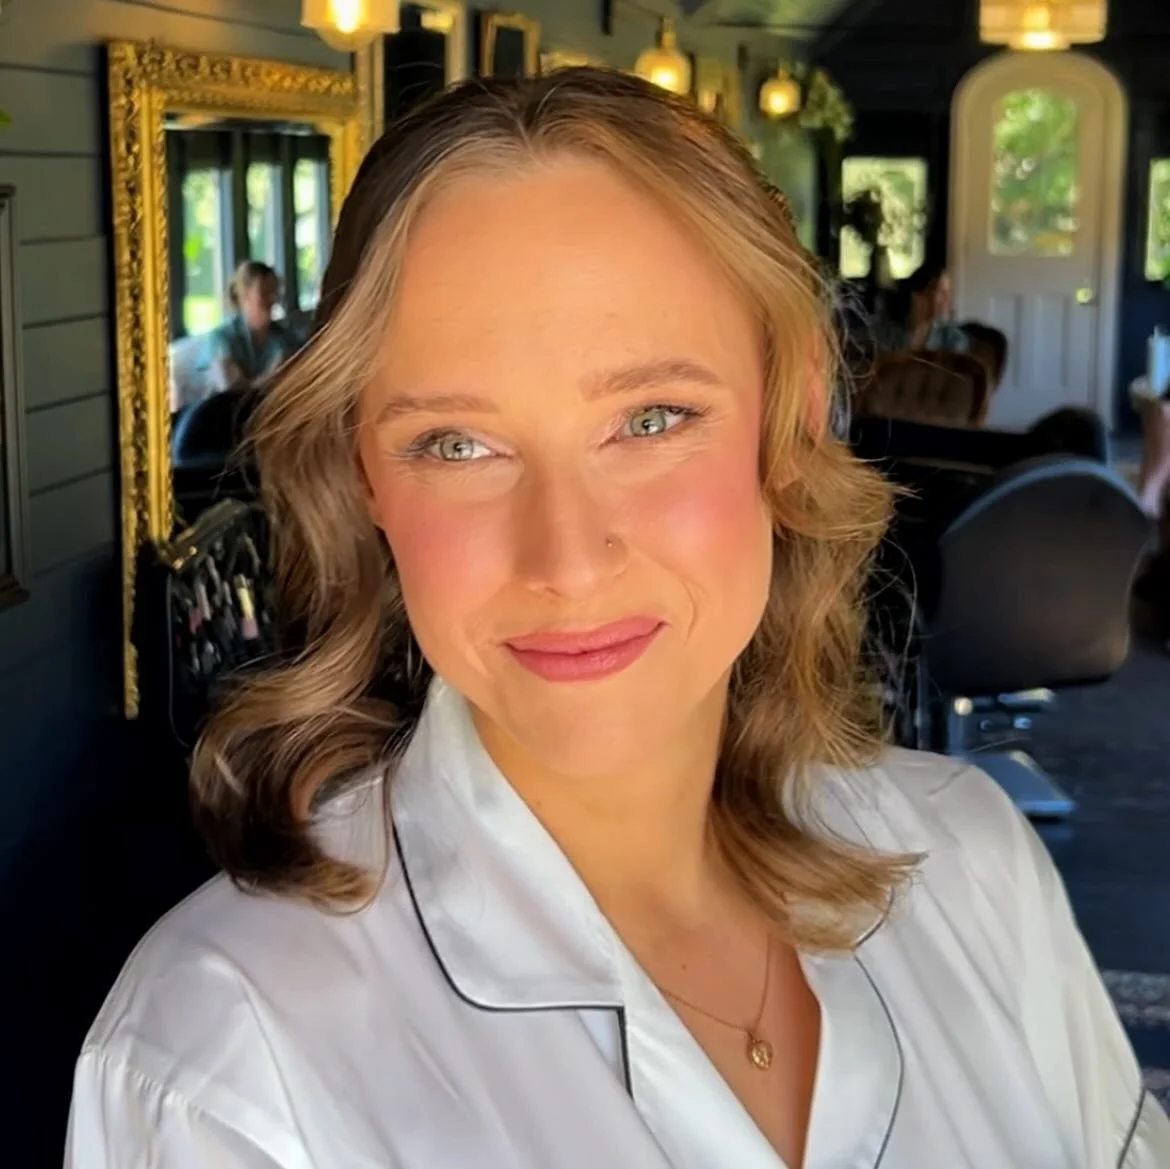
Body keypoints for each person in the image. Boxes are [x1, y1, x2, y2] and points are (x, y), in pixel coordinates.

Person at [65, 70, 1169, 1169]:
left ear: (786, 419)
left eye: (651, 419)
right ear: (364, 478)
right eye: (456, 443)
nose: (566, 558)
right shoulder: (225, 1063)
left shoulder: (970, 861)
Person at [206, 261, 300, 393]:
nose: (273, 299)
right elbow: (232, 393)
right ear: (245, 295)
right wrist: (272, 375)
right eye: (265, 292)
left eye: (275, 292)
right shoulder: (222, 338)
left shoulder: (286, 337)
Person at [873, 263, 970, 354]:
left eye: (948, 292)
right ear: (917, 295)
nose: (947, 299)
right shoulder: (885, 333)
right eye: (941, 291)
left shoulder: (953, 340)